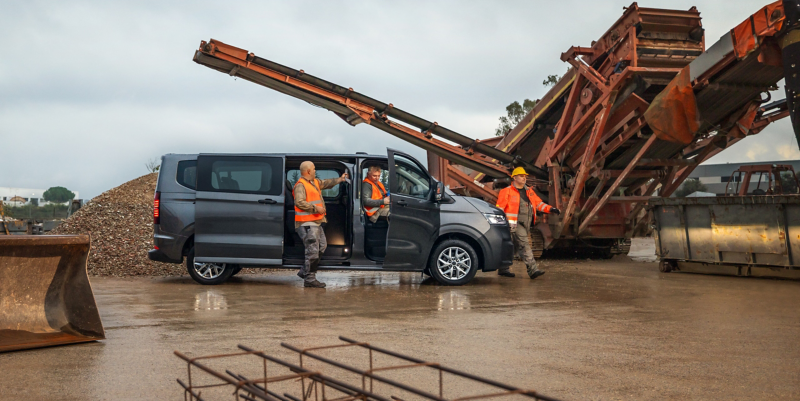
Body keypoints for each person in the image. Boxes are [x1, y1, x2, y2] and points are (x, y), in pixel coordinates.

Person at [495, 167, 560, 279]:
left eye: (525, 176)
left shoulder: (529, 191)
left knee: (512, 247)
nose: (524, 178)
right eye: (521, 176)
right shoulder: (506, 191)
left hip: (526, 224)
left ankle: (503, 269)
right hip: (514, 224)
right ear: (514, 177)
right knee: (524, 244)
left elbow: (539, 204)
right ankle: (533, 270)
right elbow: (499, 209)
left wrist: (551, 209)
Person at [293, 161, 348, 288]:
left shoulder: (314, 182)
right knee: (312, 252)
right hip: (306, 224)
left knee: (322, 246)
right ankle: (309, 279)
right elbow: (299, 202)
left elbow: (327, 183)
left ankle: (305, 270)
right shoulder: (300, 185)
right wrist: (315, 208)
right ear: (308, 171)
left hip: (315, 223)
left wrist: (340, 179)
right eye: (314, 169)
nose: (315, 171)